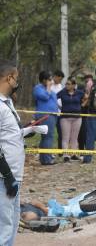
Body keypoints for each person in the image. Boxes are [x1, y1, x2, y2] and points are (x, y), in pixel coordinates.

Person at [0, 59, 24, 246]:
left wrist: (24, 134)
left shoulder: (7, 102)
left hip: (15, 174)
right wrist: (7, 176)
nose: (17, 83)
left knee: (12, 225)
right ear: (9, 78)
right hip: (4, 177)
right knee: (4, 227)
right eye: (16, 78)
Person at [57, 78, 85, 163]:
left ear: (73, 85)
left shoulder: (79, 92)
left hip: (77, 118)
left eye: (69, 84)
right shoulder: (62, 92)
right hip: (65, 118)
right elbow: (53, 97)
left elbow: (87, 97)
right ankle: (65, 155)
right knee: (66, 137)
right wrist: (59, 107)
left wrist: (82, 105)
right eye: (66, 84)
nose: (67, 86)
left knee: (74, 137)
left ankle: (73, 154)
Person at [33, 71, 58, 165]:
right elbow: (45, 97)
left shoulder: (50, 90)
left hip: (52, 115)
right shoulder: (38, 88)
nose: (51, 81)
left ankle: (44, 159)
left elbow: (54, 100)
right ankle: (46, 159)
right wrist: (48, 87)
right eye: (49, 79)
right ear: (43, 80)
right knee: (47, 137)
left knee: (47, 137)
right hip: (45, 115)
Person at [51, 70, 65, 153]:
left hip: (60, 112)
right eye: (59, 79)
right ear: (55, 76)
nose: (60, 81)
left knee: (61, 133)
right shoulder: (49, 85)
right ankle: (49, 151)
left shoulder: (60, 86)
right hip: (52, 113)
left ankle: (60, 151)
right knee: (51, 133)